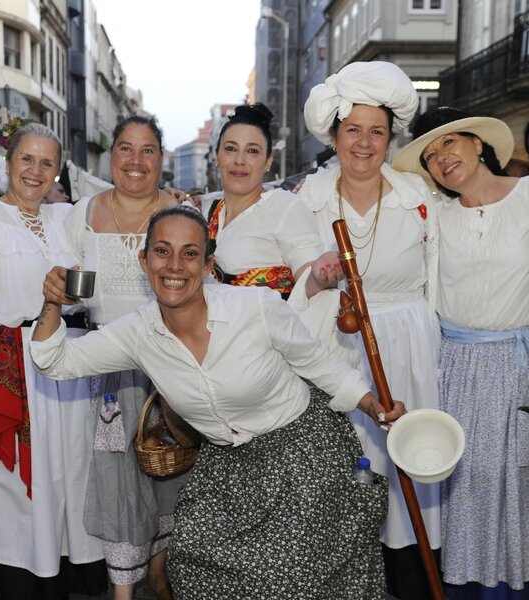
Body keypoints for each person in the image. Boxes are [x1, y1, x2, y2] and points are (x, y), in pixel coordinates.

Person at [30, 204, 407, 599]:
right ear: (144, 261)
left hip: (301, 449)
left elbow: (320, 365)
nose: (175, 266)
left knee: (282, 575)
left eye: (190, 253)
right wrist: (53, 302)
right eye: (162, 251)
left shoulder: (255, 306)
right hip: (227, 463)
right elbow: (52, 360)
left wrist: (373, 405)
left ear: (208, 265)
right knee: (190, 562)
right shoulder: (137, 333)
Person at [295, 61, 441, 600]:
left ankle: (411, 582)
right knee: (344, 475)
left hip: (408, 349)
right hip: (334, 348)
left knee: (407, 470)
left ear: (390, 137)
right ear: (334, 136)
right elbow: (293, 289)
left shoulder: (418, 198)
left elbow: (438, 279)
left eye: (376, 131)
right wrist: (316, 279)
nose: (363, 142)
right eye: (352, 129)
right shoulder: (305, 198)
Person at [0, 122, 106, 600]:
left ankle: (60, 573)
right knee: (11, 483)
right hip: (12, 362)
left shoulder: (66, 218)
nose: (35, 171)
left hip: (67, 361)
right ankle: (15, 580)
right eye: (26, 159)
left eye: (46, 162)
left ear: (57, 170)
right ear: (8, 164)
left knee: (67, 473)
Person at [393, 106, 527, 600]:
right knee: (459, 486)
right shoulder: (435, 216)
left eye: (449, 142)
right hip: (453, 370)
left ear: (477, 143)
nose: (441, 158)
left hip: (517, 369)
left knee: (513, 486)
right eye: (430, 155)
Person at [64, 115, 177, 600]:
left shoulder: (178, 212)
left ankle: (158, 572)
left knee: (169, 469)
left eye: (147, 150)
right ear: (111, 156)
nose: (136, 160)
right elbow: (68, 285)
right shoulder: (84, 213)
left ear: (161, 159)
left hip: (167, 363)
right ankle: (122, 589)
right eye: (126, 148)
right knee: (117, 476)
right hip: (104, 366)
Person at [209, 103, 338, 301]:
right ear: (217, 156)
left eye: (252, 151)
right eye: (231, 149)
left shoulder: (285, 207)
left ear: (268, 162)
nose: (239, 160)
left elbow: (308, 273)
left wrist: (320, 277)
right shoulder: (209, 212)